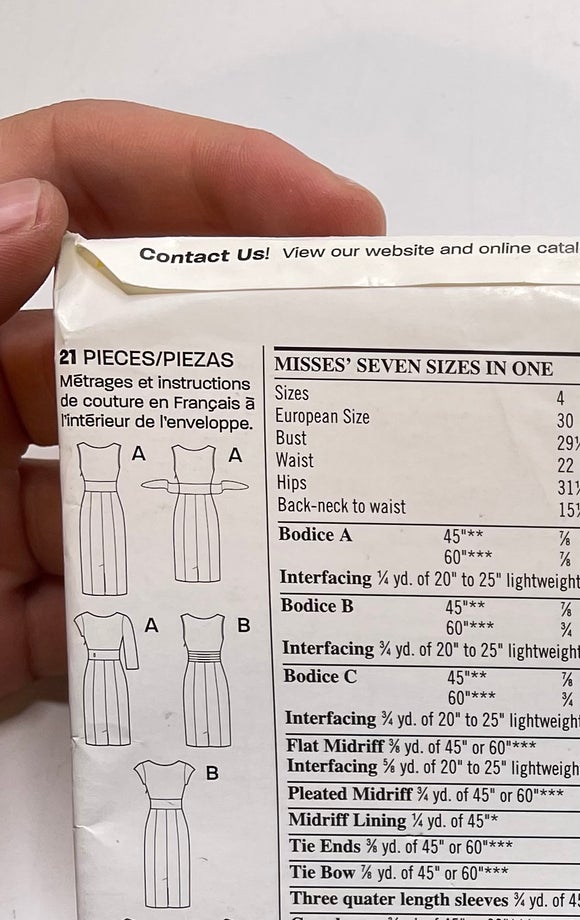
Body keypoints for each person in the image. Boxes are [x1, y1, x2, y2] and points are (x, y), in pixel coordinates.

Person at [0, 100, 384, 703]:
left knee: (179, 562)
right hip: (121, 511)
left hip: (176, 528)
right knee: (126, 559)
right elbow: (128, 656)